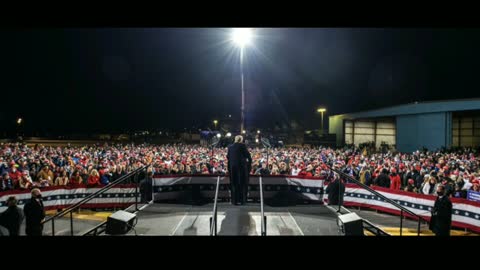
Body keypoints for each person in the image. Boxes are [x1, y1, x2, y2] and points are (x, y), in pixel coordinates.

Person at [227, 135, 252, 205]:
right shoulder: (242, 146)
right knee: (242, 183)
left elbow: (228, 156)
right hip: (241, 168)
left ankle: (234, 201)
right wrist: (249, 165)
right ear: (241, 140)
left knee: (234, 184)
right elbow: (248, 156)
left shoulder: (230, 147)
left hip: (232, 168)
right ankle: (242, 200)